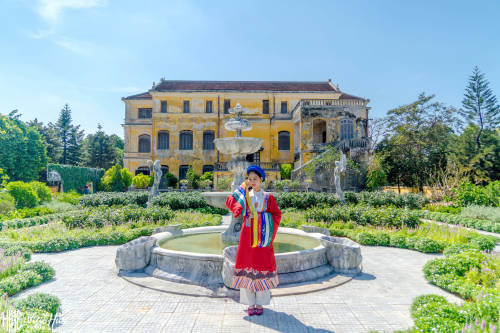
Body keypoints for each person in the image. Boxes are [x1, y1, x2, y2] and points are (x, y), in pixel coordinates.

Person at [226, 165, 282, 316]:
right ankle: (250, 303)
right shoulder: (245, 196)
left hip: (262, 239)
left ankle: (260, 302)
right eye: (249, 179)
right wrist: (242, 189)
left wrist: (261, 218)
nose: (252, 181)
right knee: (247, 266)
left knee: (262, 265)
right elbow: (231, 201)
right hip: (247, 238)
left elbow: (276, 215)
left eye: (255, 179)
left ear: (261, 180)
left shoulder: (268, 197)